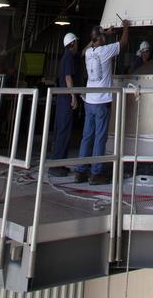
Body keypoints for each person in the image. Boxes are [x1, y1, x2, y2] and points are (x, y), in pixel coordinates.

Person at [74, 21, 129, 185]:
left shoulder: (89, 52)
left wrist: (103, 35)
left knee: (87, 136)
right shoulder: (105, 51)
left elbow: (84, 49)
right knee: (99, 137)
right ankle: (96, 173)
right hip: (101, 102)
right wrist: (126, 28)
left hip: (89, 101)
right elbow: (124, 43)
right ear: (102, 38)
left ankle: (81, 171)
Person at [49, 32, 80, 176]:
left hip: (62, 99)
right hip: (65, 100)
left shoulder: (68, 57)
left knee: (63, 131)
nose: (77, 45)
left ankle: (60, 163)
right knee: (63, 131)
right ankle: (55, 165)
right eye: (77, 43)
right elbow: (68, 77)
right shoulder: (68, 57)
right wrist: (73, 95)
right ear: (72, 43)